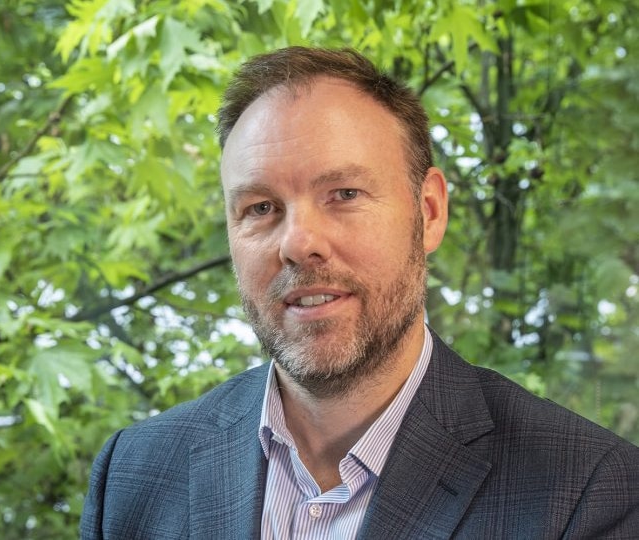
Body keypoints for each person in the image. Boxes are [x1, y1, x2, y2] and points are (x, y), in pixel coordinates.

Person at [80, 47, 639, 539]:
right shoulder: (134, 475)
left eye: (343, 193)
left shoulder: (588, 492)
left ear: (430, 212)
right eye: (260, 208)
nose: (299, 243)